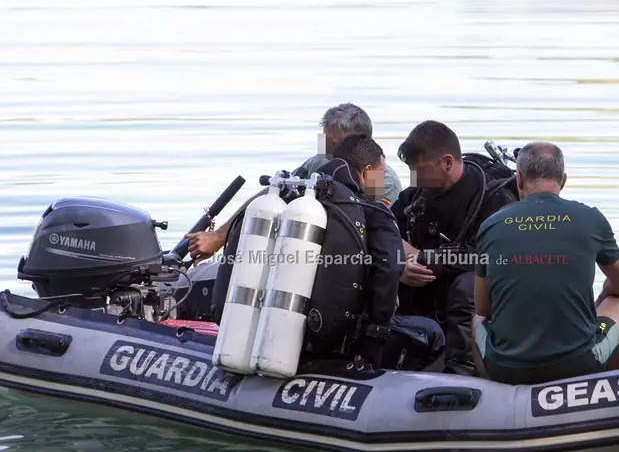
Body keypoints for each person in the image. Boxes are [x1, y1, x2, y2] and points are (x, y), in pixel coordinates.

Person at [471, 142, 619, 385]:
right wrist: (602, 298)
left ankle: (495, 392)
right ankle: (611, 390)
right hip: (579, 365)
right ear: (564, 180)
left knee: (477, 321)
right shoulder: (590, 218)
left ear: (519, 179)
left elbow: (484, 309)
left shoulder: (491, 225)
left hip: (506, 369)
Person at [186, 103, 401, 263]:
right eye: (325, 143)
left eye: (332, 145)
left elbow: (378, 236)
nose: (326, 153)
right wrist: (220, 236)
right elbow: (275, 191)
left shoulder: (382, 178)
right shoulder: (320, 162)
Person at [305, 134, 444, 369]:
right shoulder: (372, 211)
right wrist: (372, 343)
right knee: (433, 333)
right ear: (367, 172)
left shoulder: (303, 198)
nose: (383, 181)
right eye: (382, 172)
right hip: (341, 338)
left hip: (296, 329)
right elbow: (388, 270)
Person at [390, 121, 517, 369]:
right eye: (411, 171)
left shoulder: (493, 197)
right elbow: (382, 229)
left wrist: (424, 257)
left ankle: (462, 372)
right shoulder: (415, 196)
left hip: (471, 304)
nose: (414, 179)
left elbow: (484, 257)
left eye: (421, 170)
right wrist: (400, 262)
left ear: (447, 162)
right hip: (423, 307)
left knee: (466, 285)